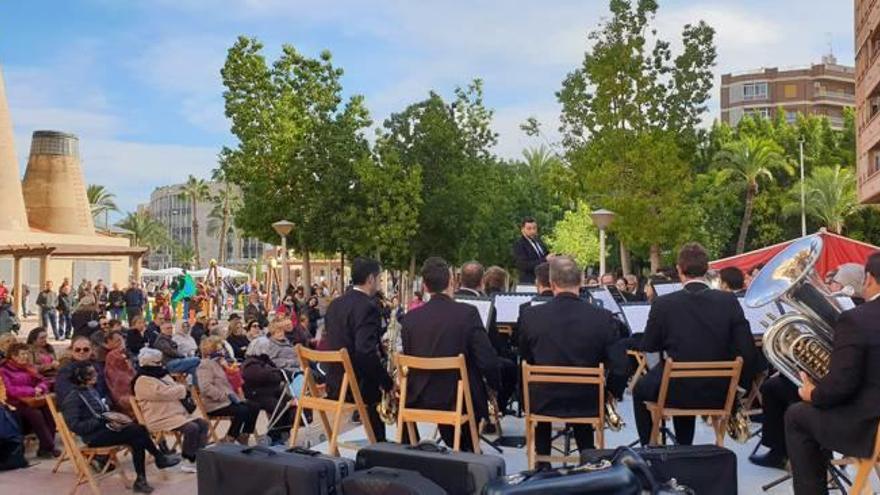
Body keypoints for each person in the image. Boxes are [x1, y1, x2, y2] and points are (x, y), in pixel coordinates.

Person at [632, 243, 762, 446]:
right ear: (707, 268)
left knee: (640, 390)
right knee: (681, 379)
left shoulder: (664, 304)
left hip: (674, 389)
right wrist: (737, 390)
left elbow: (649, 345)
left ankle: (650, 450)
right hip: (718, 391)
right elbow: (747, 350)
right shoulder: (728, 301)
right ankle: (686, 446)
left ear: (679, 269)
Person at [784, 252, 880, 495]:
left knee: (797, 416)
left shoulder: (856, 319)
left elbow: (841, 385)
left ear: (868, 278)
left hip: (869, 428)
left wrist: (812, 393)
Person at [519, 256, 629, 466]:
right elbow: (621, 366)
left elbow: (526, 359)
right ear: (580, 282)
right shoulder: (602, 317)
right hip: (587, 400)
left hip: (543, 400)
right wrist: (610, 394)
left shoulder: (530, 316)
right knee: (581, 392)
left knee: (538, 383)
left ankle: (542, 463)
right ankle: (588, 458)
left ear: (551, 284)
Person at [401, 257, 500, 452]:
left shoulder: (410, 318)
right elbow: (487, 360)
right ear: (451, 282)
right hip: (458, 399)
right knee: (472, 379)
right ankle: (468, 451)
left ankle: (457, 446)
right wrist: (494, 388)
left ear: (425, 287)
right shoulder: (468, 313)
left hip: (419, 397)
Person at [62, 362, 180, 493]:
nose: (95, 375)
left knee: (137, 437)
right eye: (91, 374)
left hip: (106, 429)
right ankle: (158, 458)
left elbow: (101, 412)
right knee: (138, 431)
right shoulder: (72, 399)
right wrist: (100, 419)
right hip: (93, 437)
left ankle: (142, 479)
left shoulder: (91, 390)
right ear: (81, 378)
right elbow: (76, 427)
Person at [323, 257, 393, 442]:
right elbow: (365, 353)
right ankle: (382, 446)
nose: (380, 282)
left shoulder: (335, 304)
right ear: (371, 279)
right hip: (356, 386)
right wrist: (387, 383)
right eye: (379, 278)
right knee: (397, 392)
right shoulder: (368, 306)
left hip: (334, 382)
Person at [455, 261, 516, 416]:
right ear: (482, 282)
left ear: (460, 279)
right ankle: (497, 408)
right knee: (510, 367)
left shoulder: (450, 301)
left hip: (451, 366)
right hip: (476, 364)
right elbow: (493, 345)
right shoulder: (486, 305)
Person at [133, 348, 208, 473]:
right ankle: (188, 458)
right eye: (157, 363)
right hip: (159, 417)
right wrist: (180, 390)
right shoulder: (142, 381)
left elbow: (173, 389)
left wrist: (177, 390)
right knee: (192, 428)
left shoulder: (162, 375)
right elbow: (162, 394)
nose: (161, 365)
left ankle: (200, 456)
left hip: (175, 414)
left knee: (203, 424)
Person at [195, 336, 260, 444]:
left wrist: (229, 369)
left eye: (222, 349)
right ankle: (230, 437)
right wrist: (223, 396)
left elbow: (234, 381)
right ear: (211, 351)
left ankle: (244, 434)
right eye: (219, 349)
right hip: (216, 403)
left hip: (230, 399)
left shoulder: (220, 363)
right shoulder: (205, 365)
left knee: (254, 406)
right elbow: (205, 387)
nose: (222, 352)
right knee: (242, 410)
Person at [0, 342, 58, 457]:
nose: (25, 357)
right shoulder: (4, 370)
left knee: (49, 411)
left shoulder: (28, 368)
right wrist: (32, 391)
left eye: (26, 354)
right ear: (13, 356)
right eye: (22, 354)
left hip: (33, 399)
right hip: (15, 402)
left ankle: (46, 448)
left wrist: (40, 388)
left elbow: (43, 380)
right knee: (35, 415)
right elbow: (10, 390)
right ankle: (49, 447)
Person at [241, 337, 290, 445]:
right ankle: (275, 435)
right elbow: (265, 376)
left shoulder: (265, 360)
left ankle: (285, 430)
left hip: (269, 390)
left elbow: (275, 373)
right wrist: (275, 373)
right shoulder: (250, 363)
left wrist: (275, 373)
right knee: (277, 406)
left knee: (290, 402)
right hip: (256, 394)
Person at [103, 330, 136, 415]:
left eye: (122, 340)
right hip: (123, 395)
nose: (121, 343)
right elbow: (120, 379)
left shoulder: (123, 353)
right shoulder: (112, 355)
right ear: (110, 343)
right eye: (118, 341)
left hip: (132, 389)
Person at [512, 217, 548, 284]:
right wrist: (545, 260)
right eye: (529, 229)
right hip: (529, 282)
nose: (532, 231)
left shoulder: (539, 242)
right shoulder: (519, 244)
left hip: (543, 280)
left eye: (534, 228)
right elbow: (524, 265)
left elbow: (546, 255)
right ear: (522, 230)